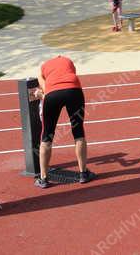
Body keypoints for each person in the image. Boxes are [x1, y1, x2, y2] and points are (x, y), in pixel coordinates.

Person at [34, 55, 94, 188]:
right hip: (74, 91)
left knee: (47, 135)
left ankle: (43, 178)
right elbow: (71, 77)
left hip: (52, 95)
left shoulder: (42, 68)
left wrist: (40, 95)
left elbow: (45, 91)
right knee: (78, 132)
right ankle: (83, 173)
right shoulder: (69, 62)